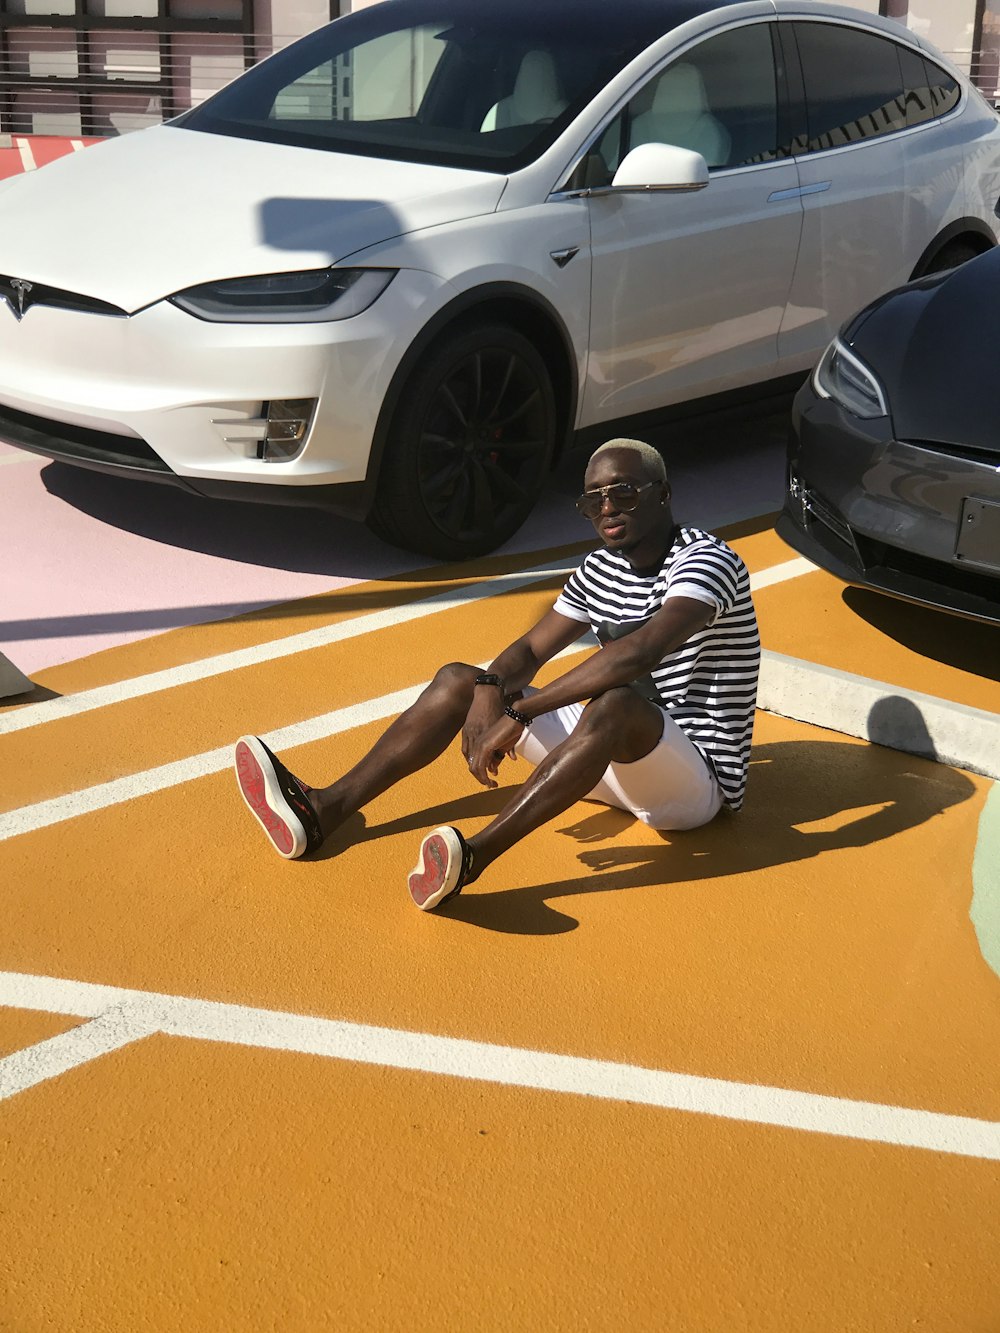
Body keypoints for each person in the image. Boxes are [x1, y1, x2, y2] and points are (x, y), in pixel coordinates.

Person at [233, 438, 760, 911]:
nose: (605, 509)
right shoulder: (601, 567)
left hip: (691, 784)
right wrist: (489, 689)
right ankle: (325, 810)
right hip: (603, 758)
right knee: (458, 680)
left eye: (621, 493)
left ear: (662, 494)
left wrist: (520, 711)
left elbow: (639, 653)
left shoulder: (705, 561)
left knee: (615, 701)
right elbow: (531, 647)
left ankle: (472, 858)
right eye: (590, 500)